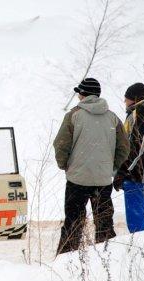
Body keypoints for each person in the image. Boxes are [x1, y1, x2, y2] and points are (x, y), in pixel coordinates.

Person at [54, 78, 129, 255]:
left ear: (82, 94)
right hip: (102, 180)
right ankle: (107, 259)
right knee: (104, 223)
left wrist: (65, 165)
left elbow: (61, 144)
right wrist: (111, 167)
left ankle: (66, 260)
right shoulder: (112, 117)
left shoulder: (73, 115)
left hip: (77, 179)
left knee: (73, 223)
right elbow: (124, 148)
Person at [113, 82, 144, 232]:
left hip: (137, 175)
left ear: (135, 99)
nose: (125, 101)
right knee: (138, 216)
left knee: (136, 221)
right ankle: (142, 248)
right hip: (143, 173)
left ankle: (140, 251)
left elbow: (136, 148)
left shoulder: (142, 113)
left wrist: (123, 172)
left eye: (127, 98)